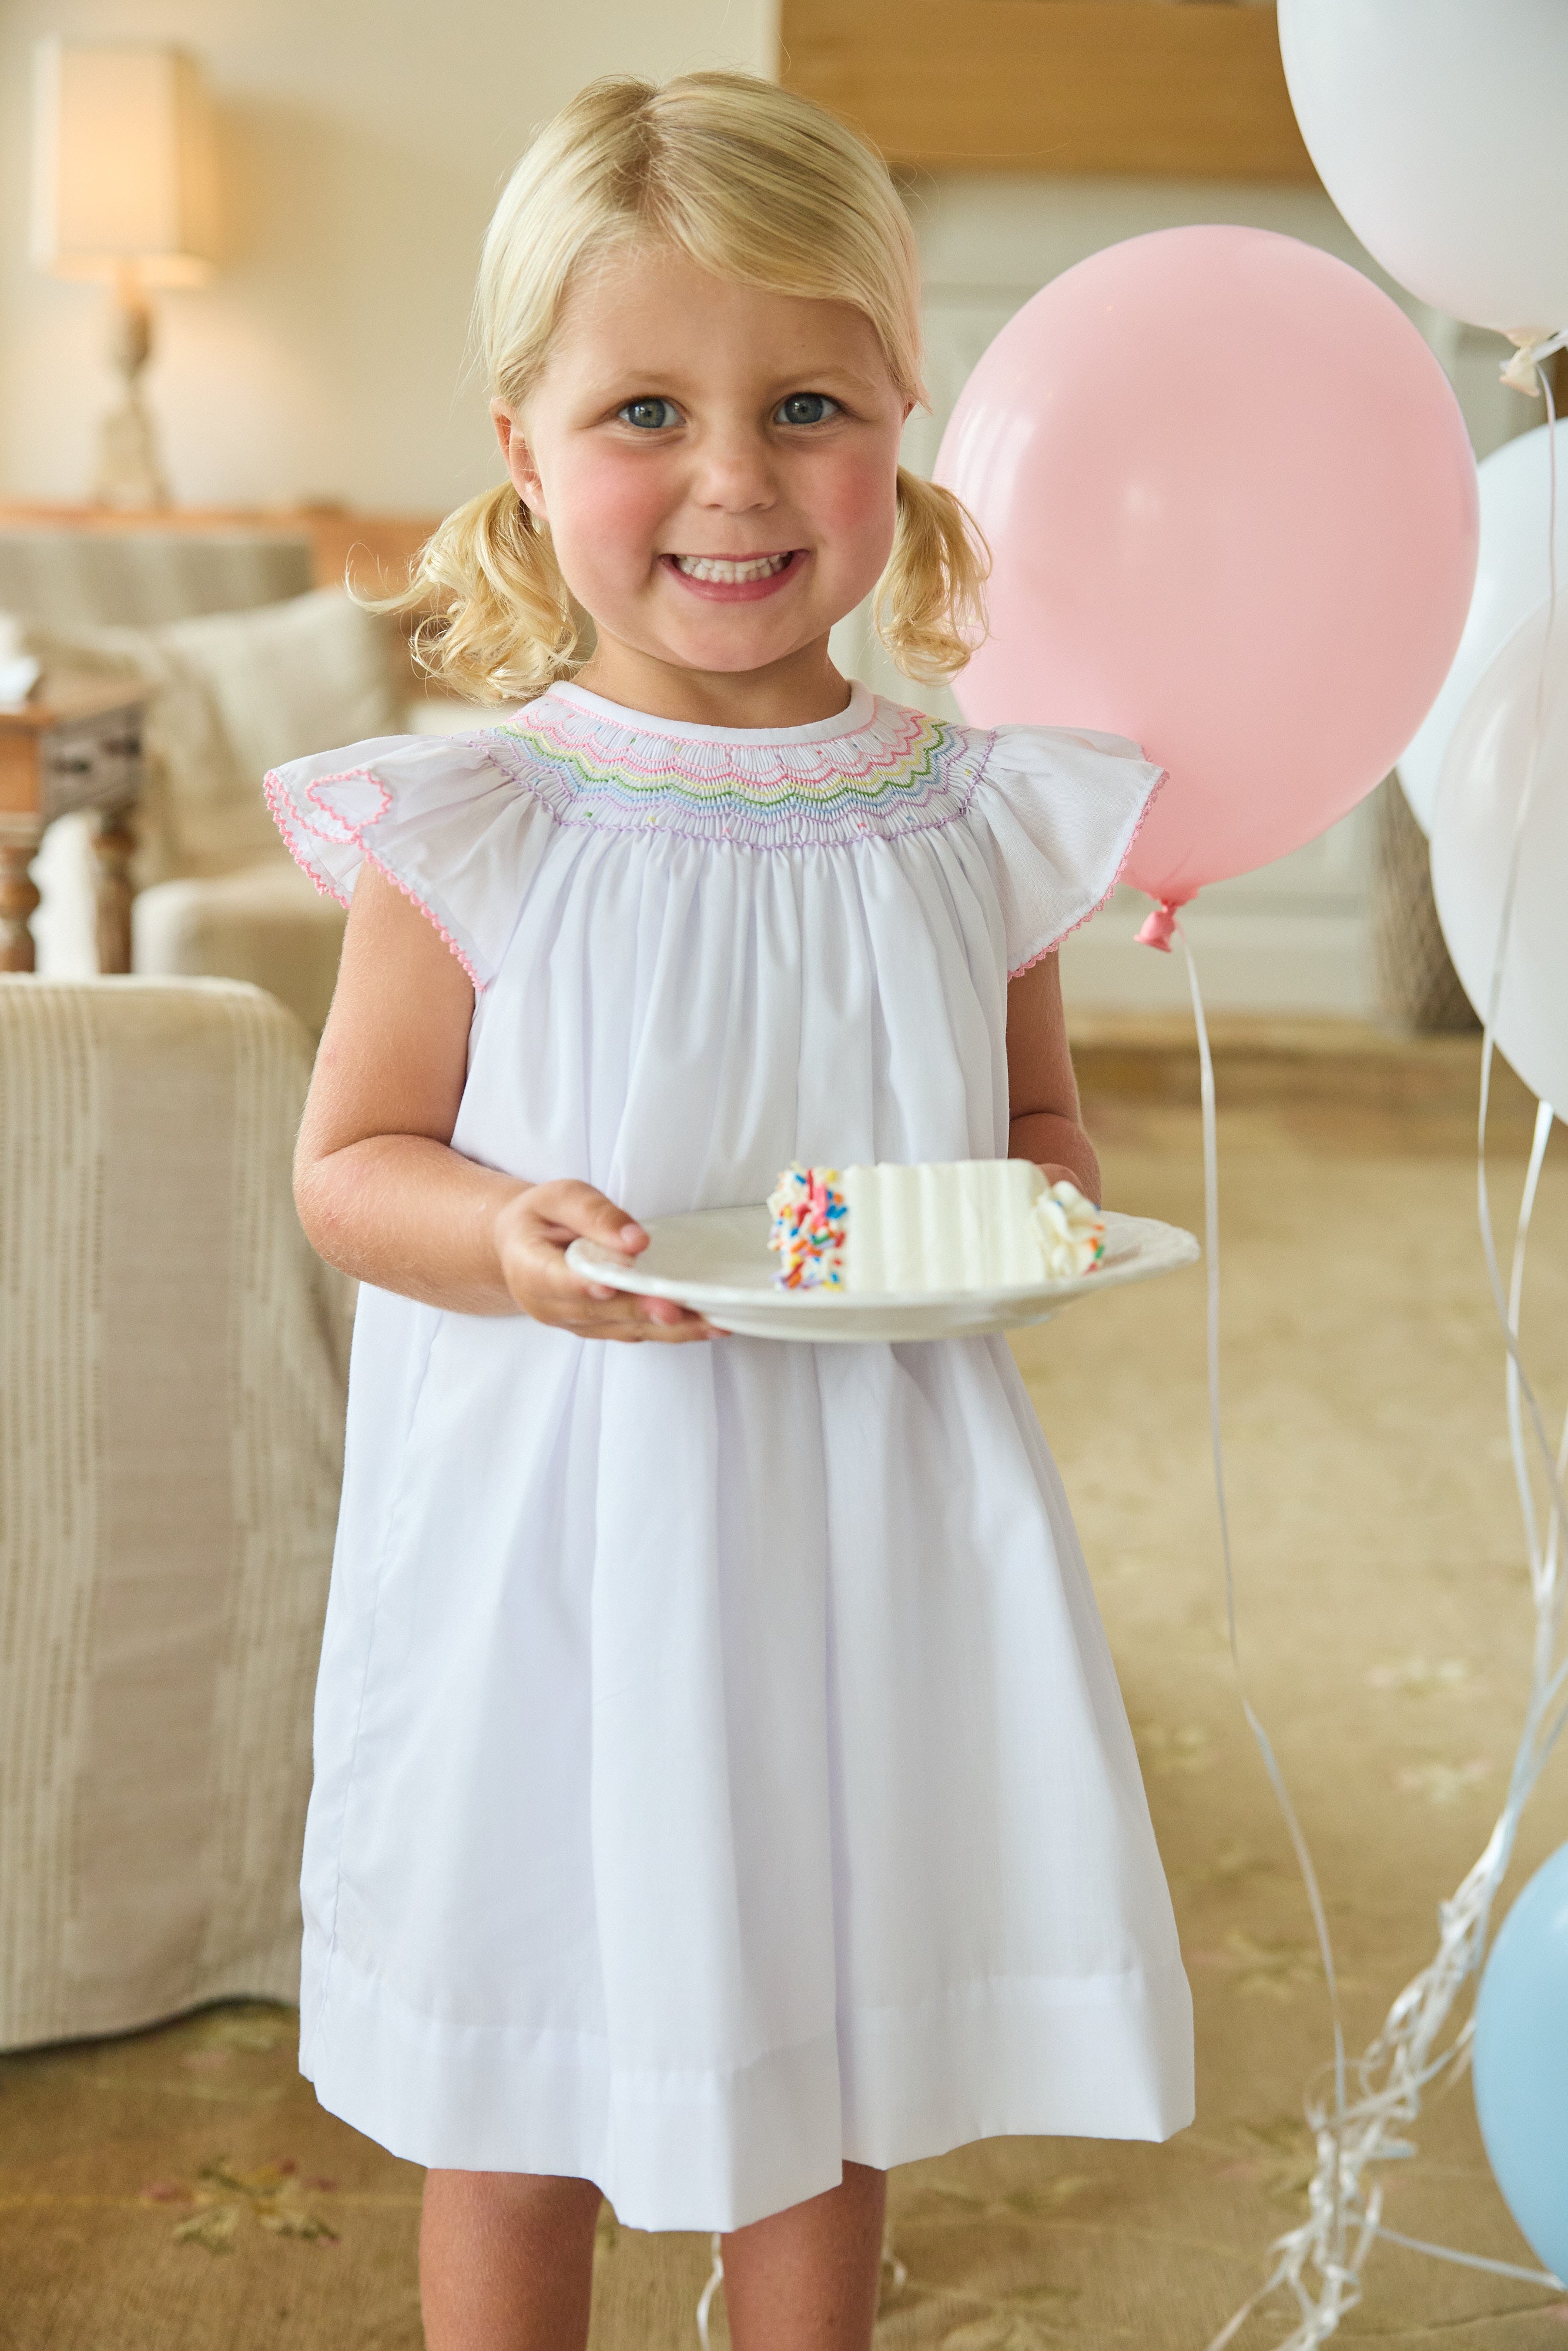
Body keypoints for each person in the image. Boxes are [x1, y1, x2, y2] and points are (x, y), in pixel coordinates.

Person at [267, 69, 1192, 2351]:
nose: (731, 479)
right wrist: (501, 1237)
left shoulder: (976, 818)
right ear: (519, 443)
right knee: (528, 2048)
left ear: (904, 413)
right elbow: (349, 1163)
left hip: (856, 1519)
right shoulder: (476, 818)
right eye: (643, 411)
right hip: (555, 1530)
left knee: (833, 2007)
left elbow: (1039, 1134)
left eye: (803, 403)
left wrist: (1026, 1219)